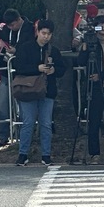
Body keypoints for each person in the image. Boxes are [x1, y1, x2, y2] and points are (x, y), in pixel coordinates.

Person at [13, 19, 66, 166]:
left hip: (47, 91)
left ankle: (46, 154)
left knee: (46, 124)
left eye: (49, 34)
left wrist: (54, 70)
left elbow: (62, 69)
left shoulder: (53, 51)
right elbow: (19, 68)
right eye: (43, 33)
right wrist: (38, 68)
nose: (46, 37)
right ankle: (23, 154)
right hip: (28, 91)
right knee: (28, 123)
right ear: (37, 32)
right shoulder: (25, 48)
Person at [76, 15, 104, 163]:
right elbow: (81, 63)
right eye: (100, 25)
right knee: (94, 122)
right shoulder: (91, 44)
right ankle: (94, 153)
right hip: (94, 89)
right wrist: (84, 48)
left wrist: (100, 76)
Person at [0, 9, 35, 146]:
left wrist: (16, 50)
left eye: (12, 25)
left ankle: (25, 135)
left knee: (24, 105)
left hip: (23, 72)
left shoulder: (30, 28)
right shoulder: (5, 30)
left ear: (19, 20)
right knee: (3, 104)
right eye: (8, 26)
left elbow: (31, 47)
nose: (11, 28)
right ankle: (1, 134)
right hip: (7, 72)